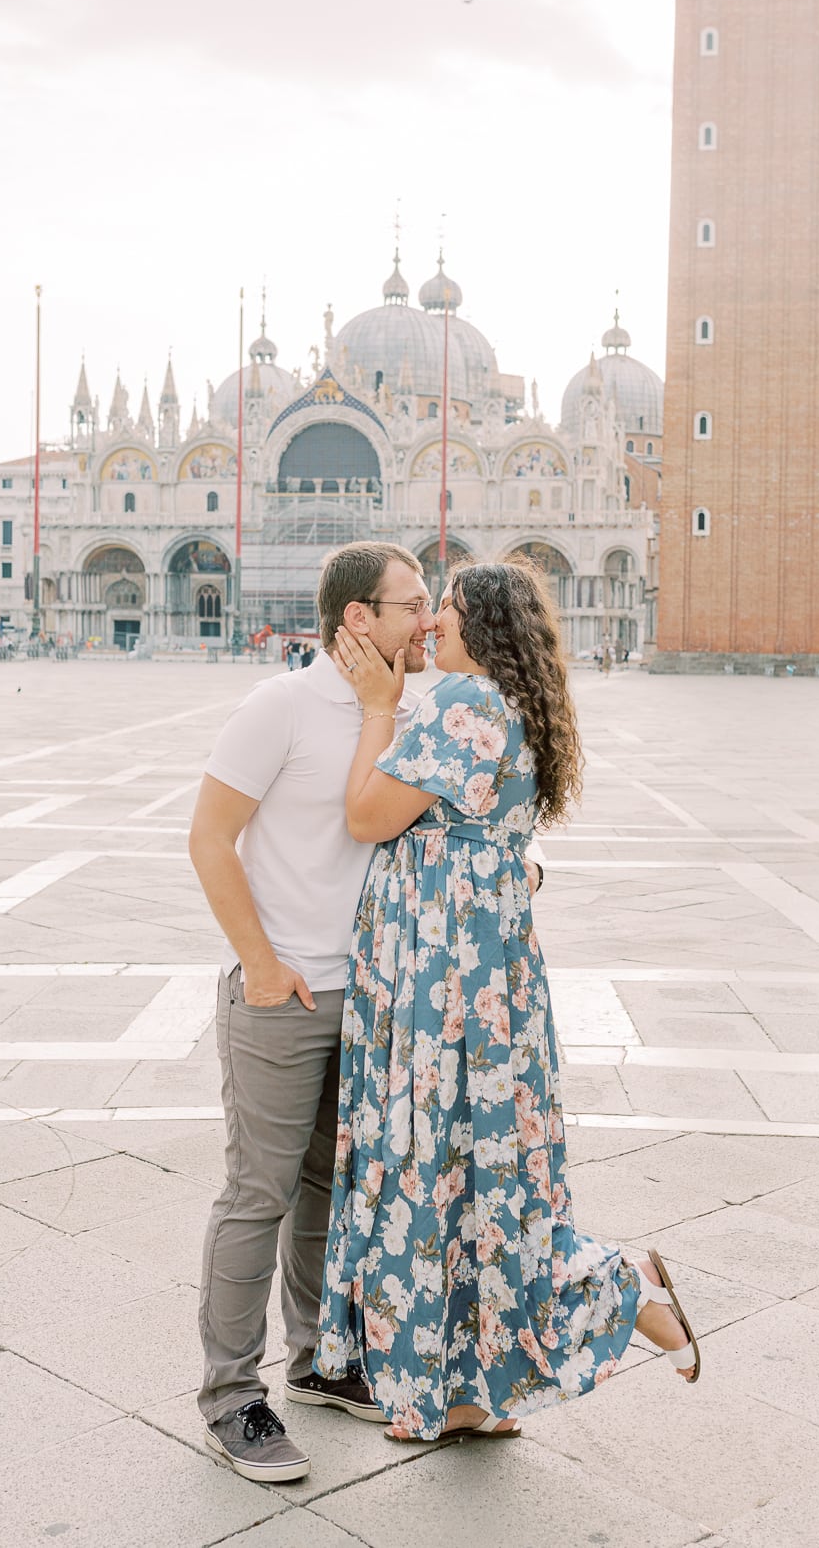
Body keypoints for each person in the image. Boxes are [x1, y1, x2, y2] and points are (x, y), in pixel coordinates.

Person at [314, 558, 699, 1444]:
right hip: (492, 973)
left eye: (443, 608)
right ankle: (473, 1392)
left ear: (481, 626)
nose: (430, 623)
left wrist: (377, 708)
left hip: (442, 975)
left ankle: (624, 1290)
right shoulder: (514, 707)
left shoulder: (463, 707)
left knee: (433, 1160)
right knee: (485, 1169)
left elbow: (368, 816)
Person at [188, 543, 438, 1483]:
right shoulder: (279, 706)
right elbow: (209, 837)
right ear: (358, 620)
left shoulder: (407, 712)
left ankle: (320, 1360)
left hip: (371, 997)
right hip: (285, 993)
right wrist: (260, 962)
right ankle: (231, 1395)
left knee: (332, 1191)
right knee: (259, 1192)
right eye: (413, 604)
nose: (430, 618)